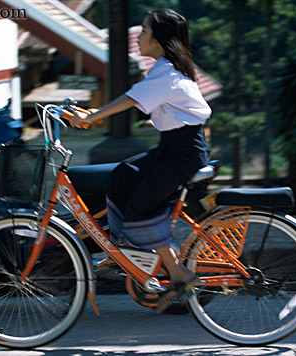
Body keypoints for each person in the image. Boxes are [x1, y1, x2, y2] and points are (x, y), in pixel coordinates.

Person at [71, 8, 211, 311]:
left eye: (145, 32)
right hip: (173, 148)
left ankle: (179, 273)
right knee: (123, 175)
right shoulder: (165, 68)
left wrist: (92, 117)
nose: (139, 37)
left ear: (159, 42)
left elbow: (133, 98)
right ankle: (126, 249)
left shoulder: (169, 74)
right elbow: (140, 97)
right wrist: (89, 116)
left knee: (140, 205)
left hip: (183, 154)